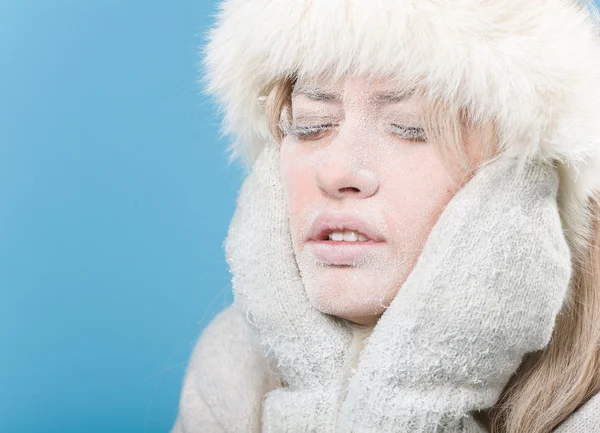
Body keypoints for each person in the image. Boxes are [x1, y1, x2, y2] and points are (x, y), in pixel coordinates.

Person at [171, 0, 600, 431]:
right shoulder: (233, 369)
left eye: (411, 126)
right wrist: (320, 392)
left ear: (533, 180)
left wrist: (417, 399)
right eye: (310, 123)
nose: (336, 172)